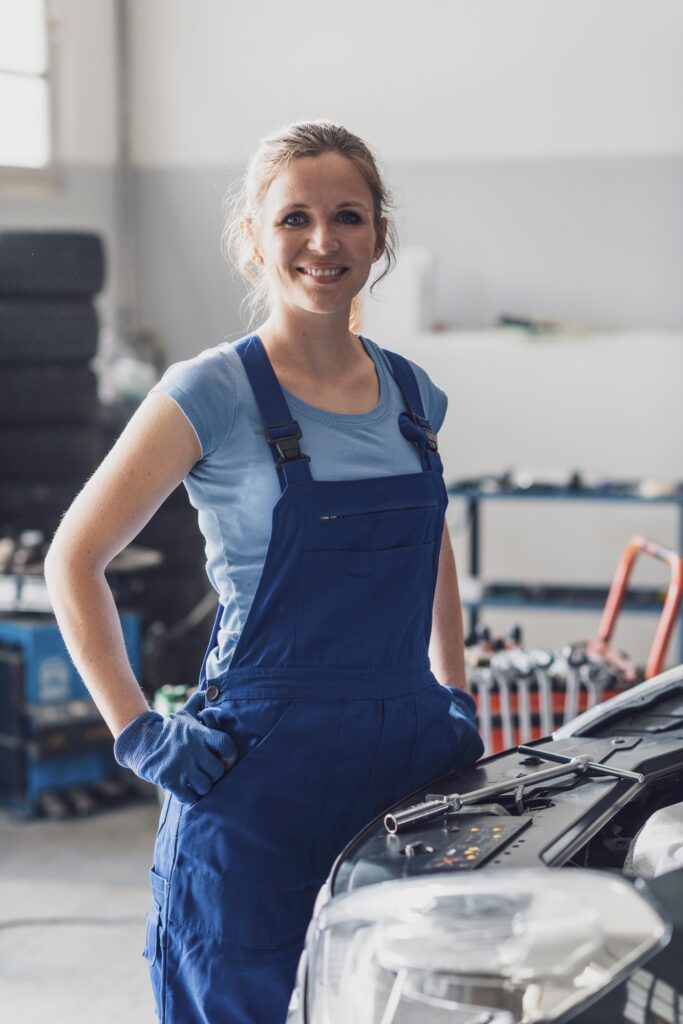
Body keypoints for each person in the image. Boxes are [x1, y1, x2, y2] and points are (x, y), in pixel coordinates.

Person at [44, 120, 484, 1024]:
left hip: (405, 765)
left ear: (378, 236)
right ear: (253, 238)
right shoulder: (210, 391)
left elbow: (430, 537)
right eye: (294, 219)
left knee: (396, 1003)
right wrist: (136, 733)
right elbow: (73, 559)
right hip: (253, 774)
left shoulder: (414, 395)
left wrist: (454, 691)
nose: (323, 242)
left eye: (348, 217)